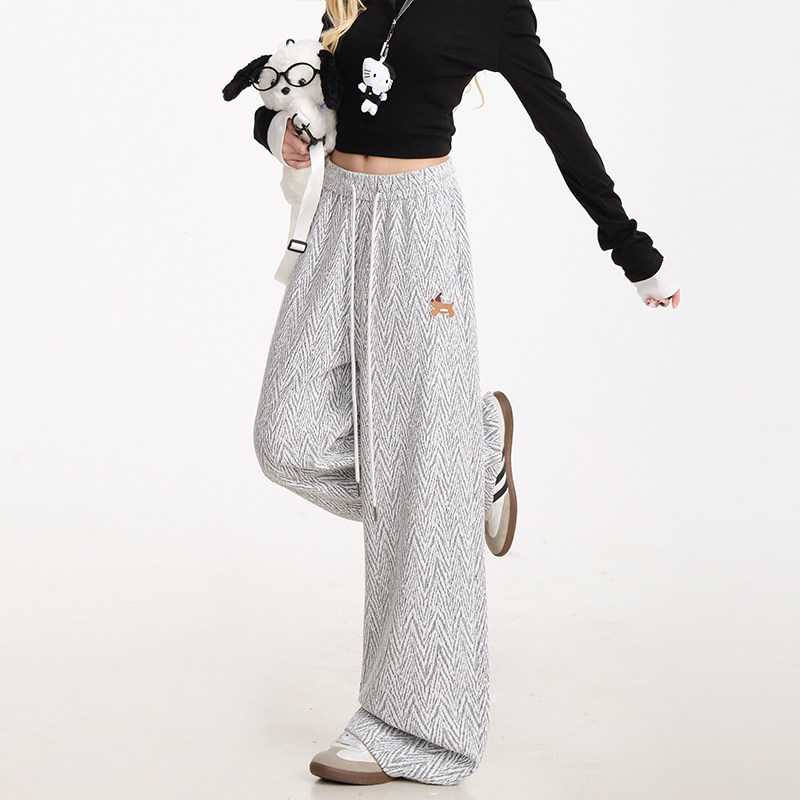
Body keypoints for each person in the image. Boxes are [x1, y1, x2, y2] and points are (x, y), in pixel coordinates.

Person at [249, 0, 681, 787]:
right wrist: (279, 130)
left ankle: (413, 727)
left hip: (418, 229)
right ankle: (469, 458)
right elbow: (321, 89)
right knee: (286, 440)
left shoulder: (496, 10)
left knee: (421, 486)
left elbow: (560, 125)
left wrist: (633, 250)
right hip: (338, 218)